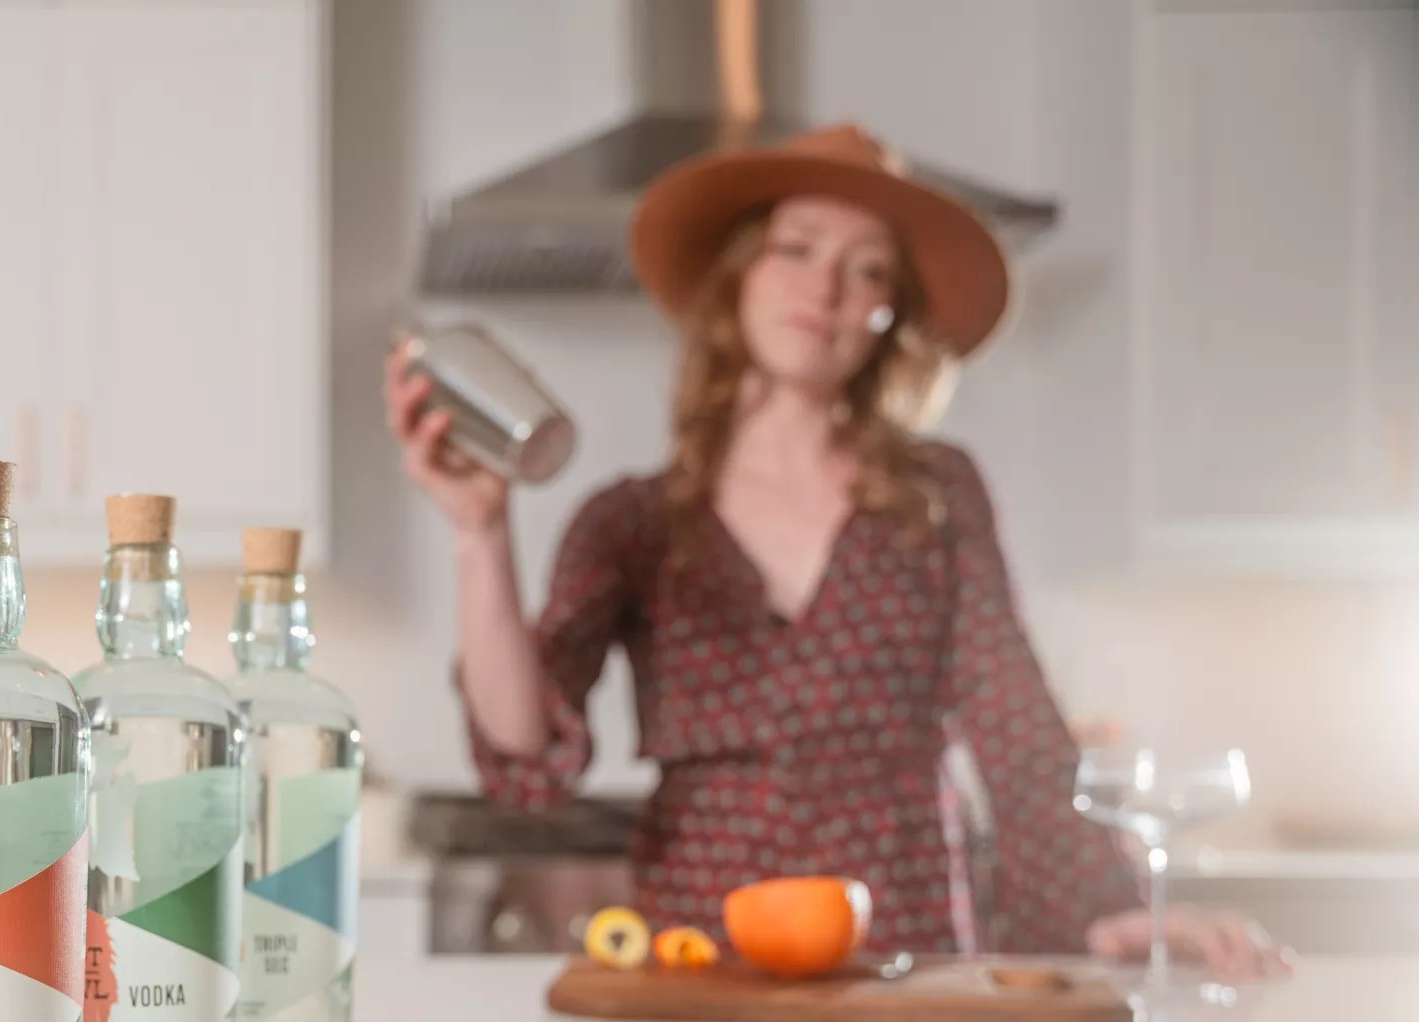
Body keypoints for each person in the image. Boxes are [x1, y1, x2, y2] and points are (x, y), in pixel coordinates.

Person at [385, 124, 1282, 977]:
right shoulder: (631, 521)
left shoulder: (938, 496)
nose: (827, 289)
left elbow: (1013, 725)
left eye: (868, 270)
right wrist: (480, 532)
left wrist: (1112, 904)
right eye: (798, 249)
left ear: (890, 315)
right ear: (738, 277)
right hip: (707, 942)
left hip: (908, 937)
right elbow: (526, 754)